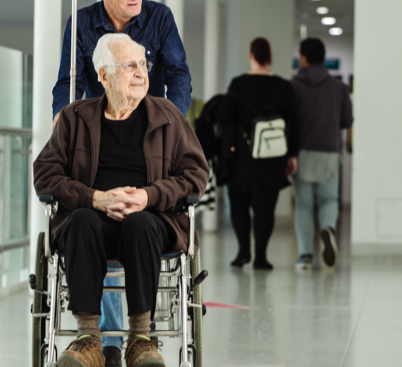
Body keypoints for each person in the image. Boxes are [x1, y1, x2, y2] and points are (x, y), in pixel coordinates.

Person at [50, 0, 193, 364]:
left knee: (136, 218)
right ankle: (102, 341)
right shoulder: (80, 23)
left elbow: (178, 73)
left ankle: (130, 339)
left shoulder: (159, 18)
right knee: (91, 218)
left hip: (146, 134)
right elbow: (68, 80)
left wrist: (172, 122)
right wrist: (66, 127)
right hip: (95, 138)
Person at [34, 34, 208, 367]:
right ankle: (89, 341)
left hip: (152, 220)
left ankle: (141, 339)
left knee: (139, 223)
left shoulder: (168, 116)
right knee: (81, 219)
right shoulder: (75, 118)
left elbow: (196, 174)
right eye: (130, 65)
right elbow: (45, 173)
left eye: (143, 64)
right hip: (91, 219)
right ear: (103, 76)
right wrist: (93, 198)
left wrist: (148, 196)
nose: (141, 72)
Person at [215, 37, 300, 270]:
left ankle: (243, 252)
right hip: (272, 158)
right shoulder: (283, 87)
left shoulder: (239, 84)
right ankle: (261, 256)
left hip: (241, 158)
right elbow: (294, 123)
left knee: (239, 204)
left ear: (251, 56)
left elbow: (223, 116)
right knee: (265, 208)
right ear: (269, 57)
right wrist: (292, 155)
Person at [290, 38, 353, 270]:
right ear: (323, 58)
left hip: (301, 153)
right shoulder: (338, 88)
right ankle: (327, 228)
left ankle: (305, 256)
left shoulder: (294, 86)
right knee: (328, 199)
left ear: (303, 58)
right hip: (328, 153)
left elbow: (288, 121)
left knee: (304, 204)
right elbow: (347, 121)